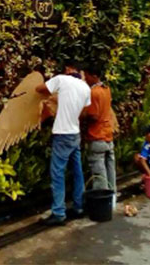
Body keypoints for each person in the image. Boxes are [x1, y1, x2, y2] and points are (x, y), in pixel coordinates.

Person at [35, 59, 91, 226]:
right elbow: (84, 111)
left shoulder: (61, 79)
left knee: (58, 174)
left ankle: (58, 212)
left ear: (69, 68)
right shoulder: (86, 88)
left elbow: (40, 89)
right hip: (75, 133)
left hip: (62, 133)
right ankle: (79, 206)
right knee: (77, 171)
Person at [82, 64, 116, 193]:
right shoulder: (106, 89)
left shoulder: (93, 92)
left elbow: (94, 116)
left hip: (97, 136)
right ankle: (112, 199)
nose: (85, 79)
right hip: (108, 135)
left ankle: (103, 202)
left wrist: (82, 116)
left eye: (87, 76)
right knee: (110, 170)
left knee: (99, 175)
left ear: (94, 76)